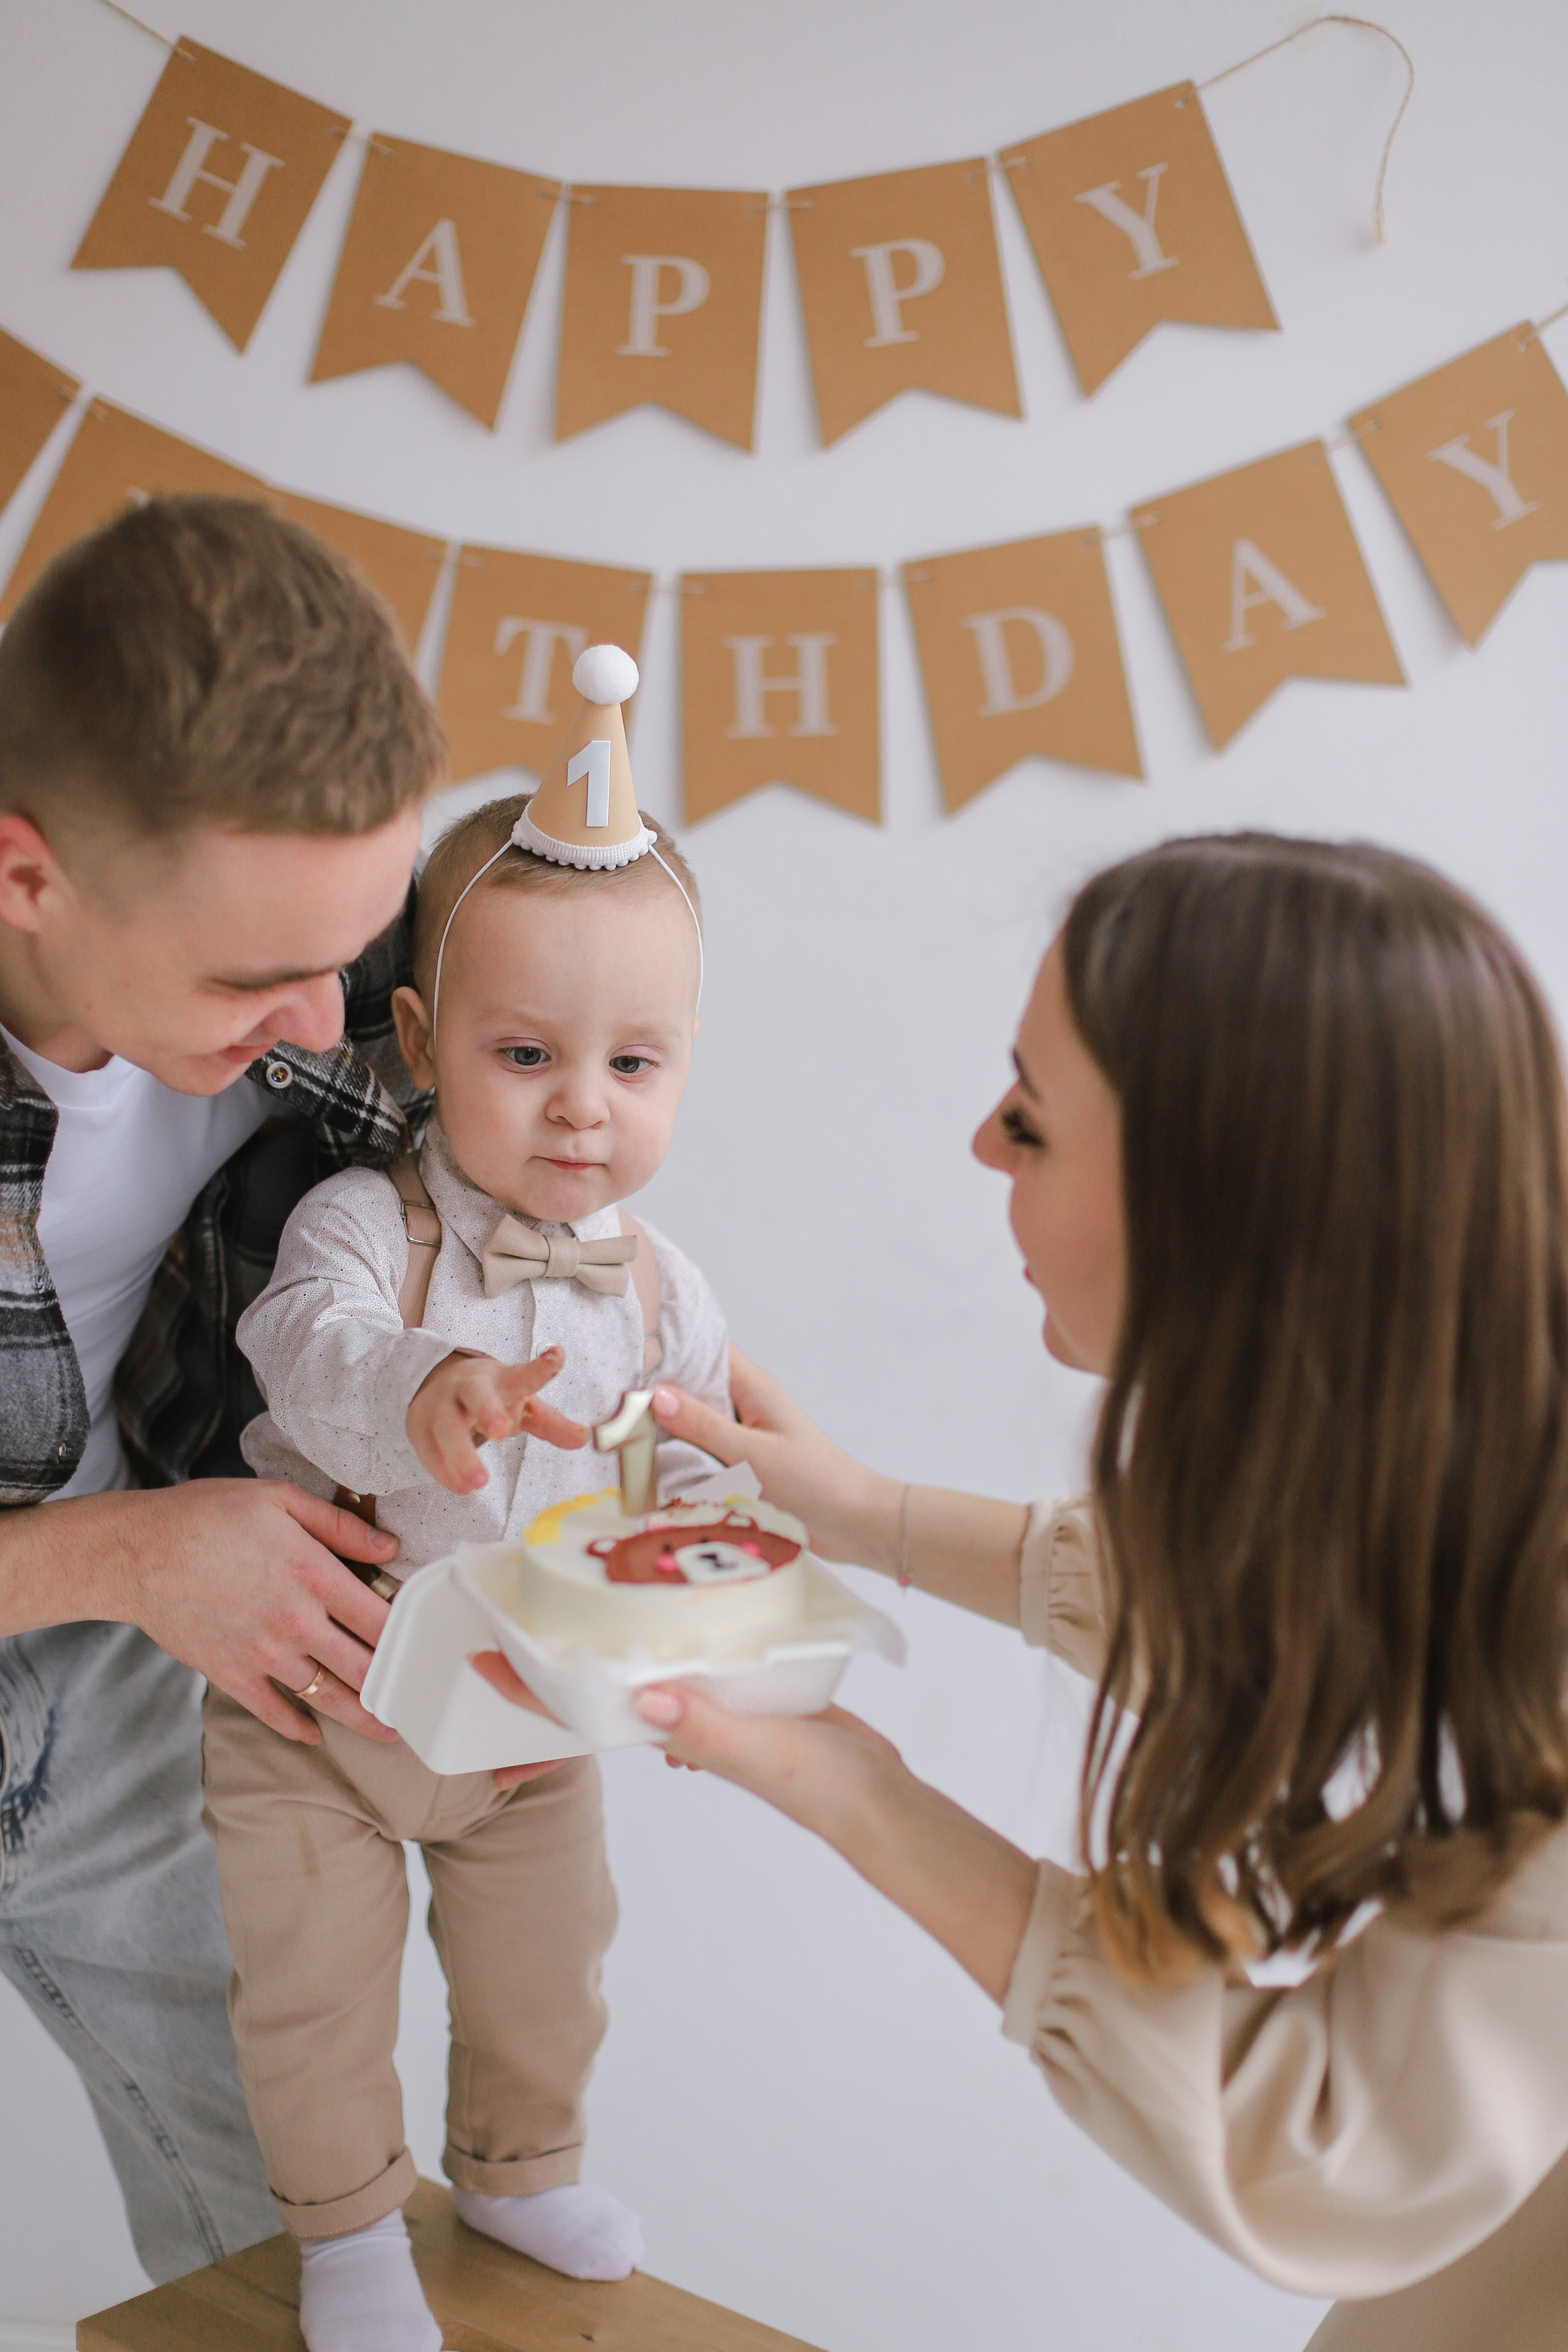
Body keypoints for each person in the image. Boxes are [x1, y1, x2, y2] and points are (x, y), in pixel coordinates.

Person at [490, 834, 1568, 2348]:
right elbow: (1311, 1599)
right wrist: (865, 1513)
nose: (984, 1145)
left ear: (1220, 1221)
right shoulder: (1470, 1429)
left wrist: (853, 1791)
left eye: (1036, 1121)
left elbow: (1324, 2148)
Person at [0, 492, 497, 2283]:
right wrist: (123, 1559)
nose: (319, 1017)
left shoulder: (332, 969)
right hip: (132, 1585)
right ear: (25, 875)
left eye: (347, 951)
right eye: (251, 974)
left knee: (305, 2253)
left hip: (137, 1679)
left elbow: (512, 1197)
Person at [213, 782, 725, 2352]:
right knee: (314, 1996)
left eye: (632, 1065)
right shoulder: (365, 1224)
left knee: (547, 1973)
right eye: (527, 1056)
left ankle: (518, 2170)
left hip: (529, 1731)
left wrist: (687, 1609)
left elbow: (685, 1463)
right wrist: (418, 1384)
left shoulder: (658, 1290)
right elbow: (304, 1348)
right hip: (323, 1710)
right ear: (424, 1044)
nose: (584, 1107)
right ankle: (352, 2225)